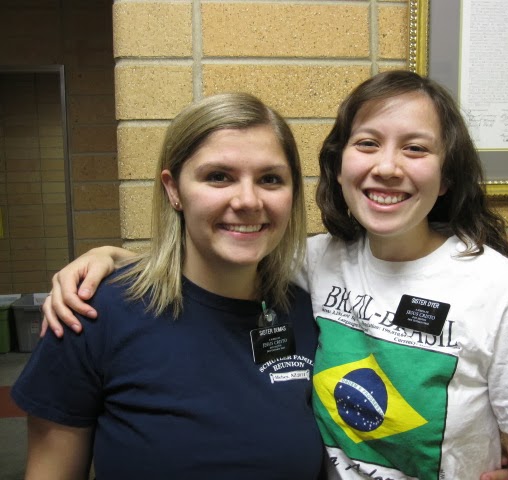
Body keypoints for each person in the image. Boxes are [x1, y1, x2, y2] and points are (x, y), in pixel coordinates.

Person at [41, 71, 508, 479]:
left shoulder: (502, 293)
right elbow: (213, 259)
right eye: (368, 143)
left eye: (415, 148)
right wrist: (109, 257)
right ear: (338, 167)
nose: (388, 167)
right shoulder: (317, 263)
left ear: (447, 174)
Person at [11, 92, 325, 479]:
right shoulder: (92, 314)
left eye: (270, 179)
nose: (248, 200)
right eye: (219, 177)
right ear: (174, 189)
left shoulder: (311, 314)